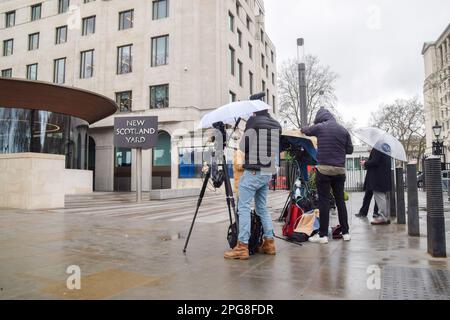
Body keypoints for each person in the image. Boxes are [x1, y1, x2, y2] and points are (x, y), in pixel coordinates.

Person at [224, 109, 282, 260]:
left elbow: (244, 146)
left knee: (243, 206)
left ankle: (242, 246)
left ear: (255, 112)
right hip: (267, 170)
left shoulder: (253, 122)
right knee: (262, 207)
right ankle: (269, 243)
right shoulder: (276, 125)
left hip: (254, 171)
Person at [301, 108, 353, 244]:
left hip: (324, 170)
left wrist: (304, 127)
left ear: (320, 119)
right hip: (339, 171)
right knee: (340, 201)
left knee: (324, 202)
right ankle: (346, 232)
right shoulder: (343, 130)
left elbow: (306, 130)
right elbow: (350, 150)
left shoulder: (320, 127)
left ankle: (323, 235)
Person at [362, 148, 392, 225]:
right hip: (384, 175)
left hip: (377, 177)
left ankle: (383, 217)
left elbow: (375, 161)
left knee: (380, 196)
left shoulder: (378, 147)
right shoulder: (385, 147)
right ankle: (386, 217)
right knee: (384, 197)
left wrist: (365, 163)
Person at [355, 154, 380, 218]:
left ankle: (375, 212)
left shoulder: (378, 150)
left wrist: (365, 163)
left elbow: (375, 162)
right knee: (367, 196)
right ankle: (364, 212)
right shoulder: (375, 151)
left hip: (375, 177)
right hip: (371, 177)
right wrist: (365, 164)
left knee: (376, 196)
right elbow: (372, 163)